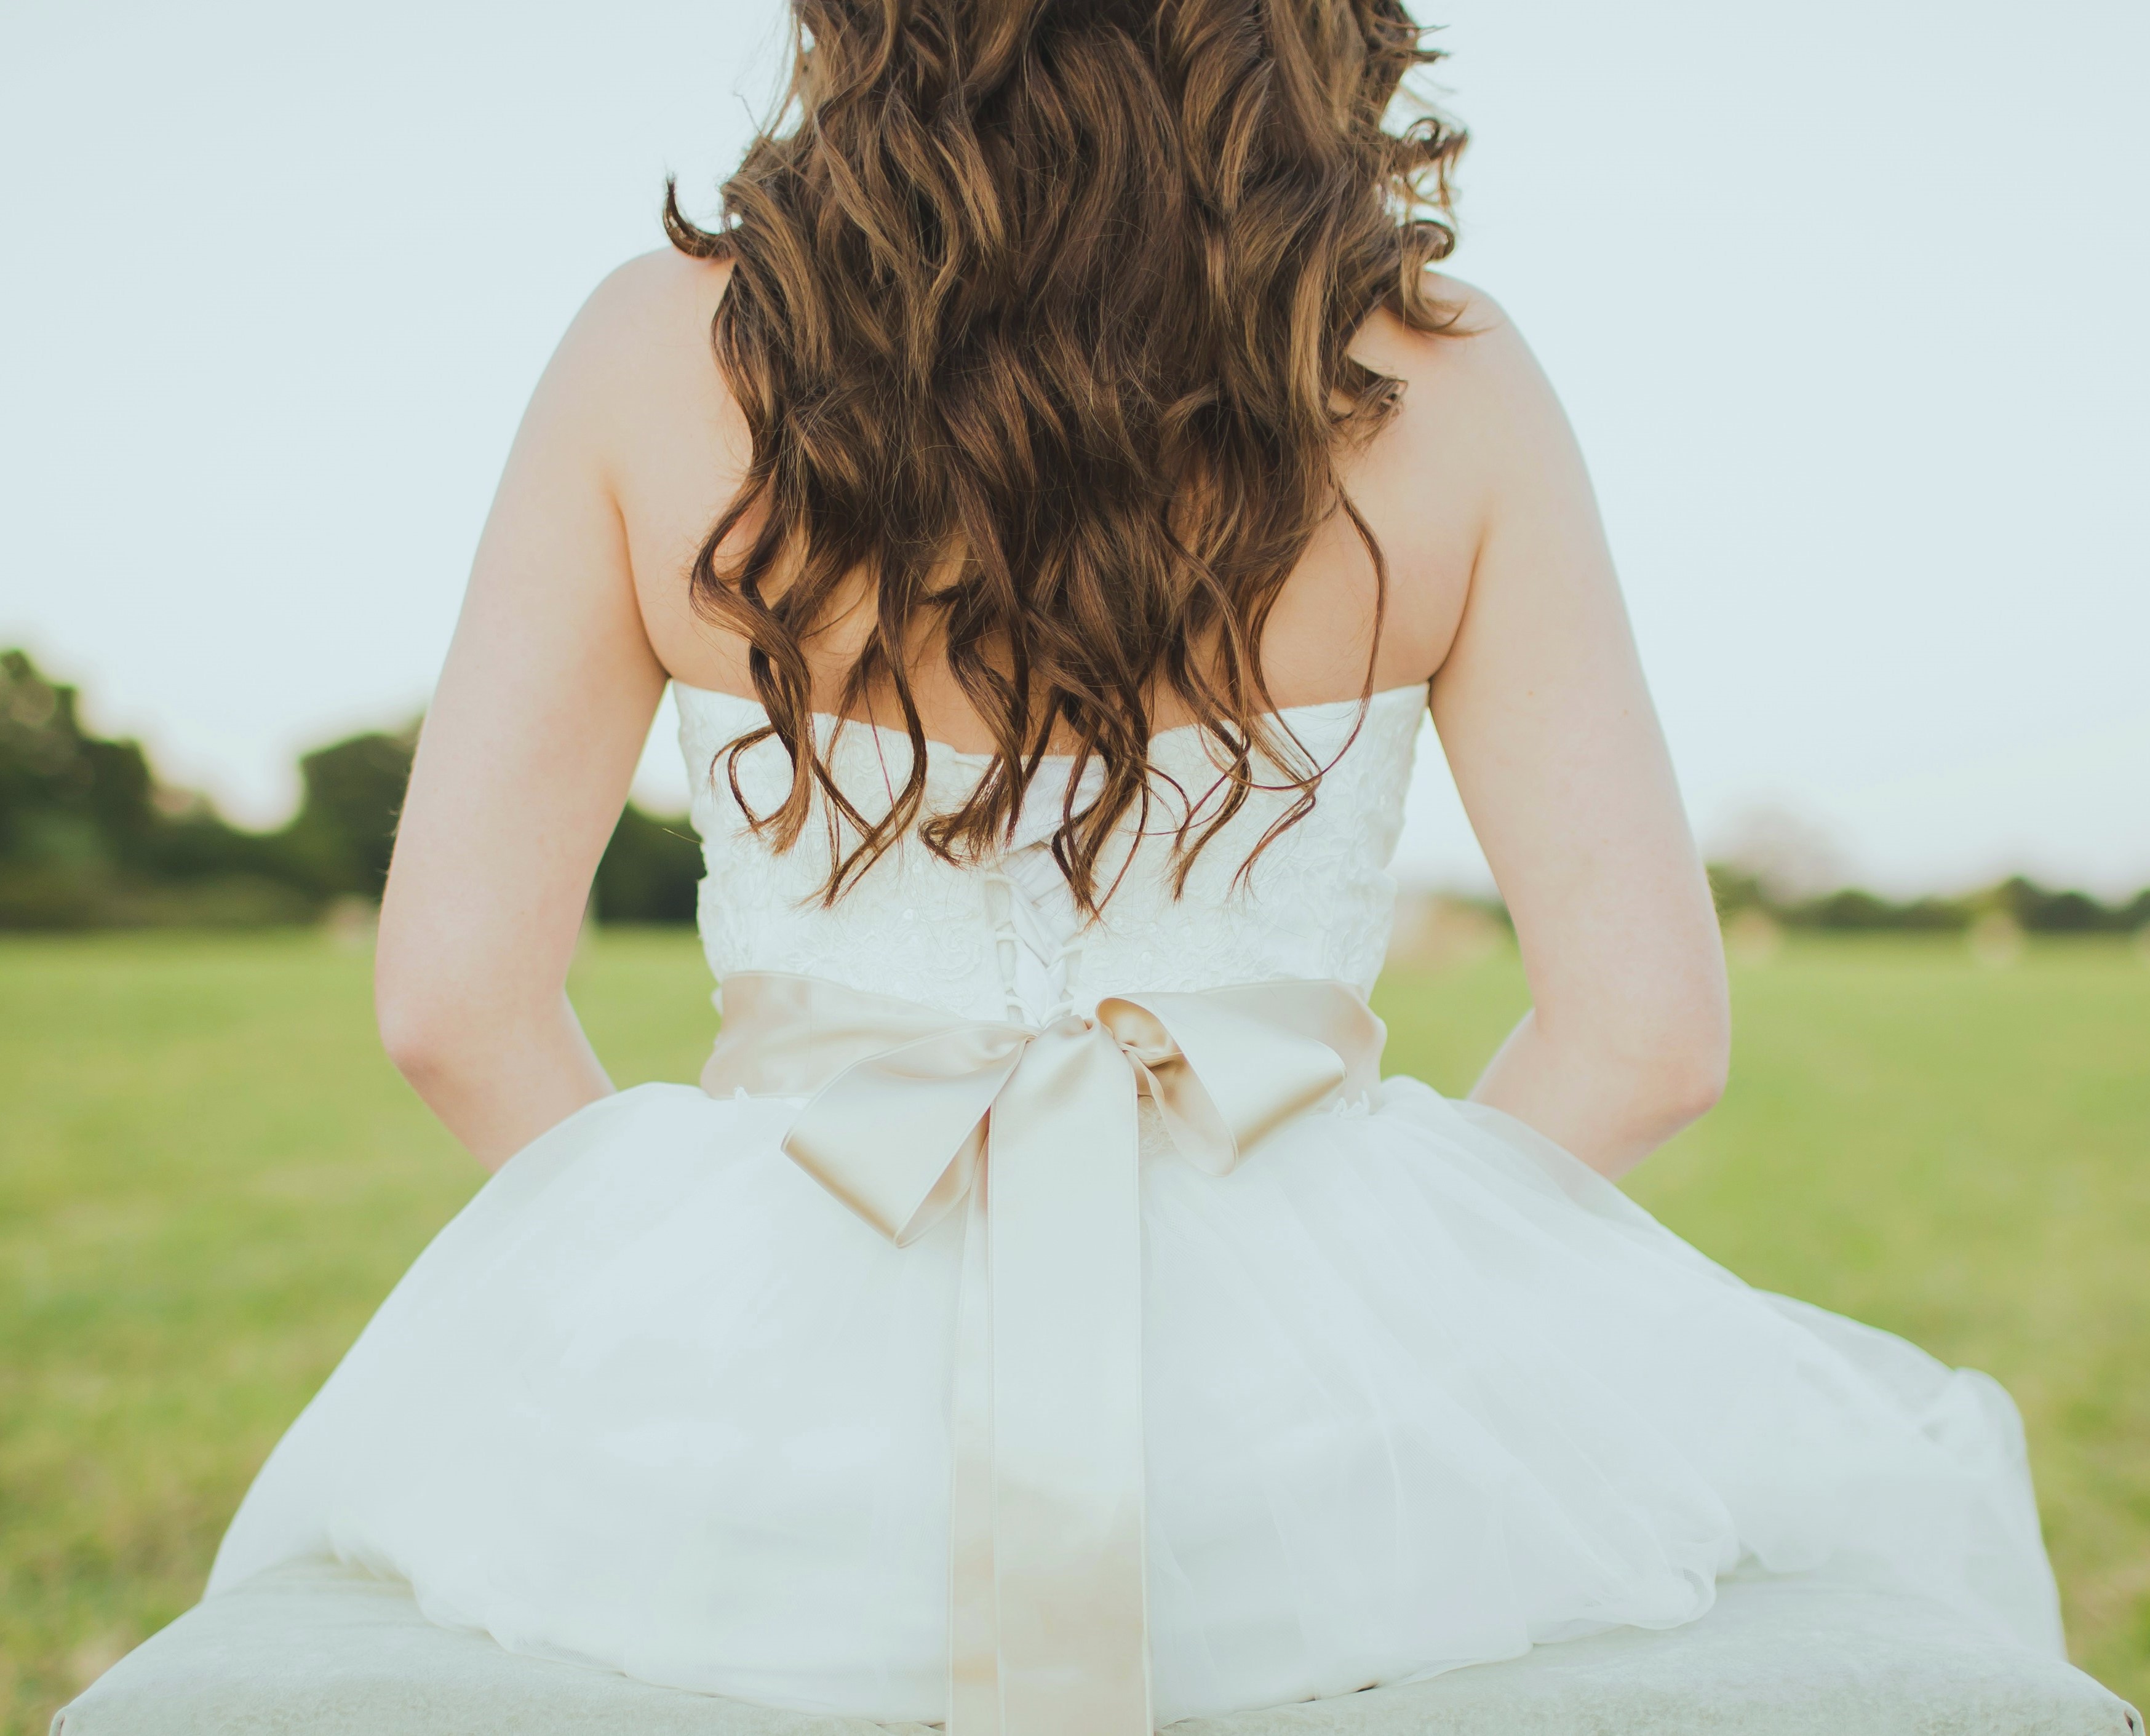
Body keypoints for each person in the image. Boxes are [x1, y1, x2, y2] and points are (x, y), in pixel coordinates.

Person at [205, 0, 2064, 1729]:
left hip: (776, 1477)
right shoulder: (1451, 384)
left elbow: (452, 999)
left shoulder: (649, 352)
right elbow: (1649, 1033)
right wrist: (1410, 1349)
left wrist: (707, 1326)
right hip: (1300, 1488)